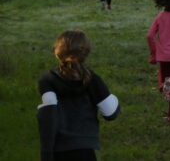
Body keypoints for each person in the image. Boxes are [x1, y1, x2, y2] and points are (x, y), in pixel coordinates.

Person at [37, 30, 120, 161]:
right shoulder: (92, 80)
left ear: (58, 53)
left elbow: (49, 118)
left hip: (59, 151)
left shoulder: (48, 80)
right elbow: (110, 113)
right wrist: (113, 97)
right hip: (85, 151)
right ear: (85, 53)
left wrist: (46, 154)